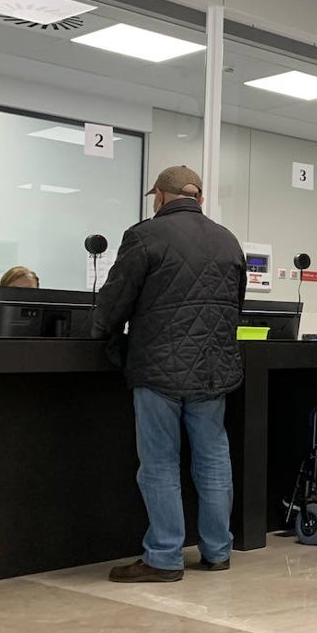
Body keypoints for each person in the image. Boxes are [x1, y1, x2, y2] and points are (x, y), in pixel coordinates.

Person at [93, 165, 246, 583]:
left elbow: (114, 300)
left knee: (160, 463)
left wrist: (99, 333)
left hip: (159, 366)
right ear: (196, 197)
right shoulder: (228, 239)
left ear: (160, 196)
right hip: (214, 369)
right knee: (214, 460)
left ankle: (163, 557)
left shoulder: (144, 236)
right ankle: (217, 552)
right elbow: (236, 303)